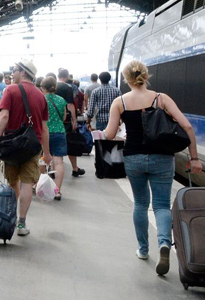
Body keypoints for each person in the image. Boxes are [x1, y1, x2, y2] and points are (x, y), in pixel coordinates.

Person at [98, 60, 202, 275]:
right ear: (146, 76)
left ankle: (143, 250)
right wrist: (194, 158)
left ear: (126, 79)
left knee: (140, 203)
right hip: (162, 158)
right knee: (162, 205)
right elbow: (187, 126)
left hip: (134, 157)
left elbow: (108, 135)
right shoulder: (161, 98)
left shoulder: (120, 102)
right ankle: (164, 243)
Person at [0, 59, 51, 236]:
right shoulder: (41, 96)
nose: (12, 73)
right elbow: (44, 128)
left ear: (24, 72)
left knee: (13, 182)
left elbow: (4, 116)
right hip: (32, 145)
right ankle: (21, 224)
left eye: (15, 70)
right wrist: (47, 153)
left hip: (11, 143)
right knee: (27, 183)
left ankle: (10, 219)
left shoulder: (10, 90)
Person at [41, 77, 74, 200]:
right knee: (58, 162)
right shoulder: (61, 100)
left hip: (45, 132)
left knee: (43, 159)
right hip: (60, 132)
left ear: (43, 87)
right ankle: (57, 191)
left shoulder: (42, 99)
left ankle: (41, 186)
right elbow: (64, 117)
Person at [56, 68, 85, 177]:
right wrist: (74, 120)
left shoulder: (52, 86)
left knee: (55, 144)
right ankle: (75, 168)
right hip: (66, 119)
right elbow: (70, 105)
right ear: (67, 76)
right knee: (71, 142)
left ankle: (52, 169)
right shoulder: (67, 88)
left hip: (53, 119)